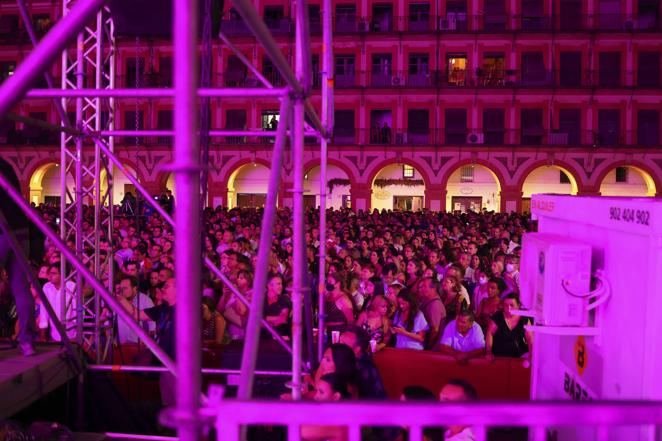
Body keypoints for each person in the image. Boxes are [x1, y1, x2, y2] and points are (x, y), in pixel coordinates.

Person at [116, 277, 176, 406]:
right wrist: (121, 299)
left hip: (179, 365)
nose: (162, 289)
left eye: (167, 286)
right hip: (164, 364)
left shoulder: (186, 310)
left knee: (180, 404)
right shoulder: (163, 309)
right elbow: (136, 314)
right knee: (168, 403)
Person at [0, 160, 36, 356]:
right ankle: (27, 342)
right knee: (21, 288)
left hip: (2, 230)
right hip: (21, 231)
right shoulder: (6, 165)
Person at [339, 325, 387, 399]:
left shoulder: (359, 366)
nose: (337, 346)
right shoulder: (360, 359)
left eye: (343, 344)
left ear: (357, 349)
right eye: (339, 341)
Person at [301, 373, 350, 441]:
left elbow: (302, 431)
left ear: (336, 396)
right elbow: (312, 394)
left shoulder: (338, 420)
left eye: (321, 392)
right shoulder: (341, 409)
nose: (315, 397)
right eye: (316, 391)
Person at [485, 294, 532, 359]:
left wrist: (532, 354)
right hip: (499, 357)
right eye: (506, 305)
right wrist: (489, 352)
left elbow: (530, 339)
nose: (509, 308)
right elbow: (490, 333)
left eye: (512, 305)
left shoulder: (524, 319)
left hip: (519, 356)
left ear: (518, 306)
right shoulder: (497, 317)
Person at [40, 263, 77, 342]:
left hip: (71, 331)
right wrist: (43, 332)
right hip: (53, 331)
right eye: (49, 273)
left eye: (54, 273)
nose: (50, 276)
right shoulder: (47, 287)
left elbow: (77, 309)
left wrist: (77, 327)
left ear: (62, 274)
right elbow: (43, 309)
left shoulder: (72, 287)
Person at [116, 275, 155, 344]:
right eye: (121, 289)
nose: (122, 292)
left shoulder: (146, 301)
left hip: (139, 345)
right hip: (121, 345)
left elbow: (152, 325)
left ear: (135, 288)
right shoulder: (118, 301)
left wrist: (148, 344)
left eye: (125, 288)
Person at [417, 277, 446, 350]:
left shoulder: (435, 305)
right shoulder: (427, 300)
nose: (421, 289)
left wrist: (428, 347)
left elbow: (434, 330)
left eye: (424, 286)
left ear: (433, 289)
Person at [263, 273, 290, 338]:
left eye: (281, 284)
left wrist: (264, 318)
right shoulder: (261, 300)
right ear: (269, 286)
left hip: (279, 337)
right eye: (278, 284)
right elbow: (255, 321)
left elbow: (282, 319)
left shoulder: (284, 299)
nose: (281, 286)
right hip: (261, 337)